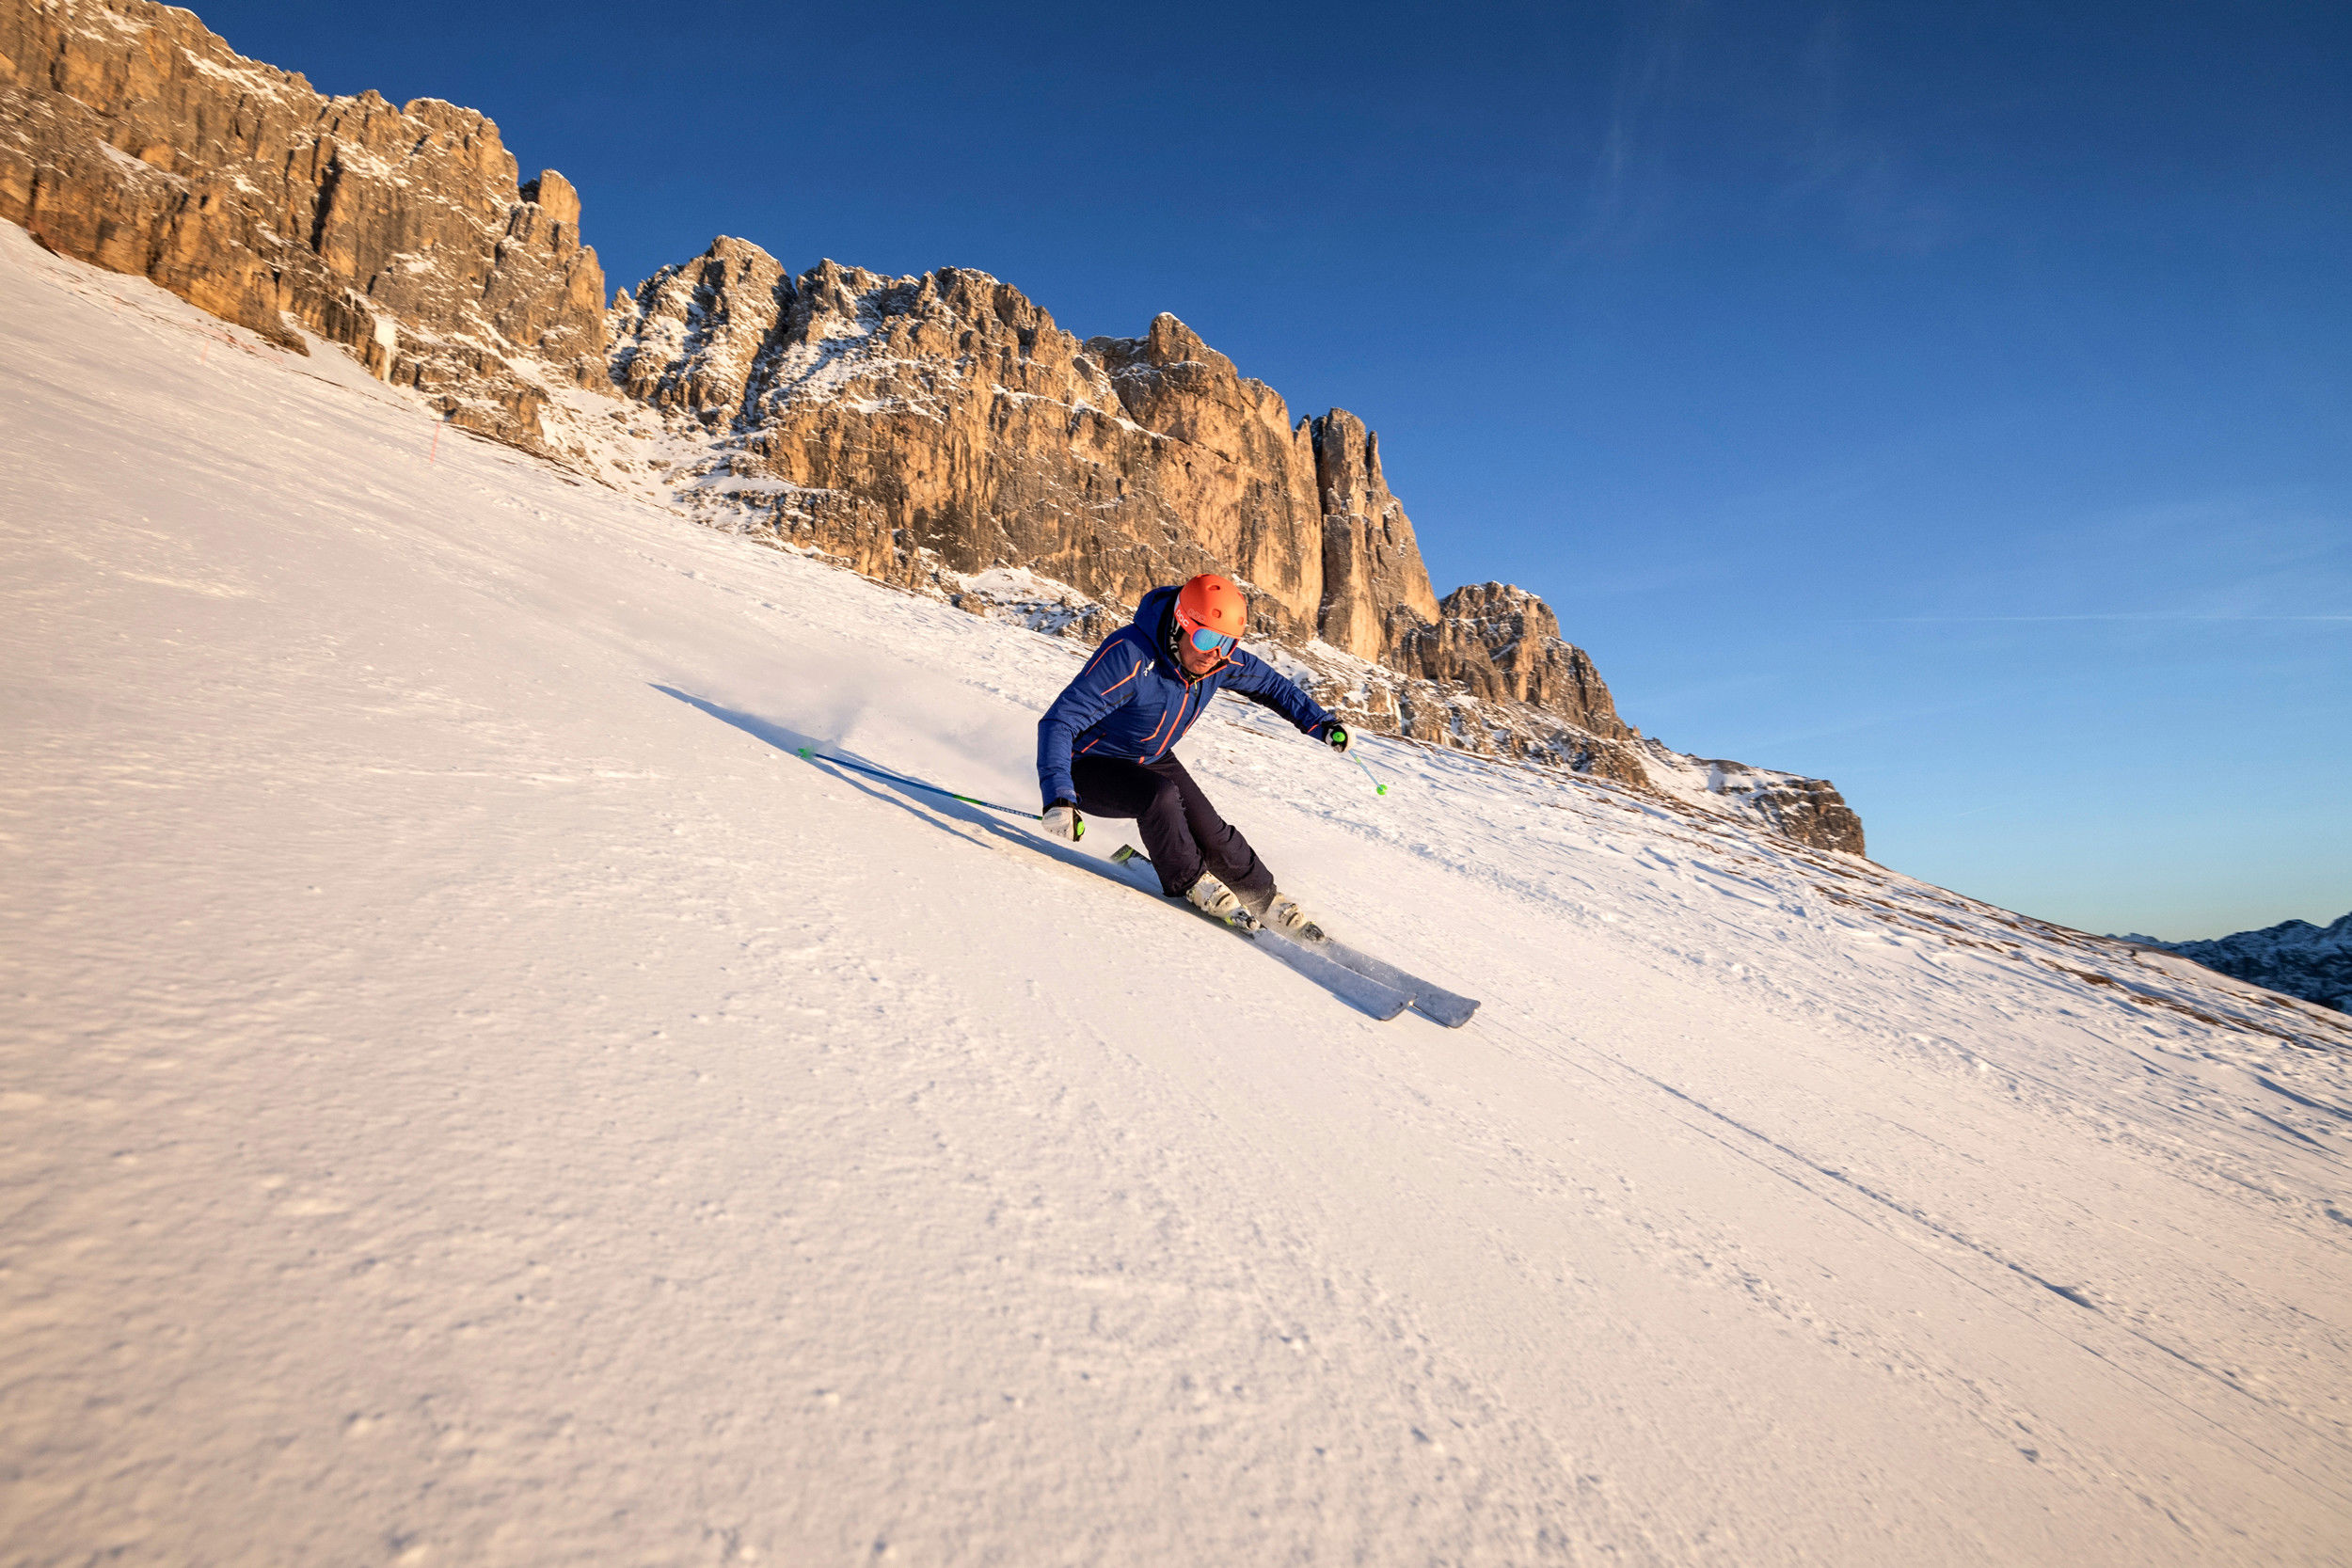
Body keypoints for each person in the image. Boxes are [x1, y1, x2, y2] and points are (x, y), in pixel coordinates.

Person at [1036, 572, 1352, 931]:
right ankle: (1192, 881)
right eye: (1206, 638)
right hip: (1085, 765)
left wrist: (1322, 724)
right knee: (1160, 798)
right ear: (1179, 625)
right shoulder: (1129, 655)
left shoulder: (1218, 661)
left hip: (1151, 756)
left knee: (1211, 831)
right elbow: (1060, 721)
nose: (1215, 653)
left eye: (1227, 643)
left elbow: (1272, 686)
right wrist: (1058, 796)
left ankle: (1264, 899)